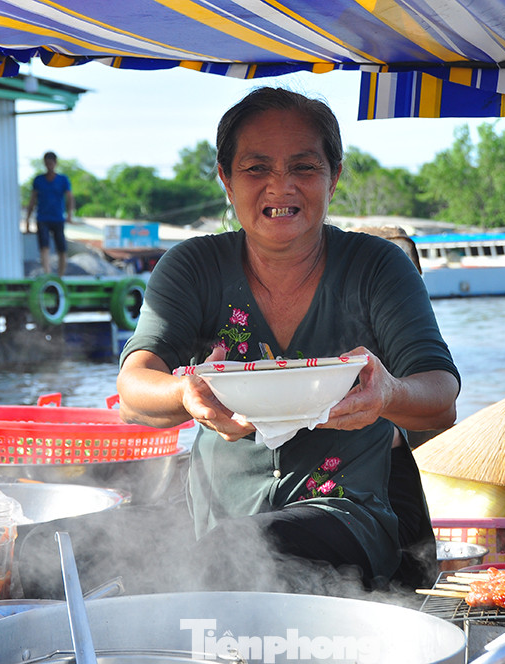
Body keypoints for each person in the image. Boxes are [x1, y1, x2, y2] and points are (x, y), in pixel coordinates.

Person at [116, 87, 460, 592]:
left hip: (347, 516)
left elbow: (441, 397)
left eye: (304, 167)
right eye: (257, 169)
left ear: (333, 177)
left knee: (244, 554)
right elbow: (133, 388)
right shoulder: (192, 267)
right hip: (214, 521)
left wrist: (389, 394)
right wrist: (184, 393)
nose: (281, 187)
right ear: (226, 180)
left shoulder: (377, 267)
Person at [24, 151, 74, 276]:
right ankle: (47, 274)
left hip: (58, 218)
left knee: (61, 248)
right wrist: (27, 220)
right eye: (47, 163)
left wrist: (69, 215)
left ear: (55, 163)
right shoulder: (39, 180)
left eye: (51, 163)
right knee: (44, 247)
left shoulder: (63, 180)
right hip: (42, 218)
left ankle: (60, 276)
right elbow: (32, 200)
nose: (49, 166)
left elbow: (70, 197)